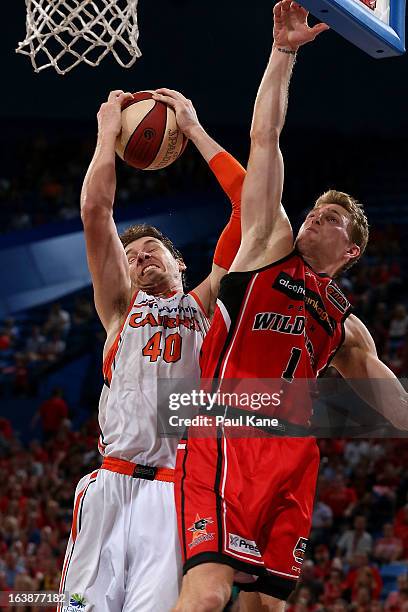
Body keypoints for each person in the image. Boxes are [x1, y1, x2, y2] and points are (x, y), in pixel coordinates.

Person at [173, 2, 408, 611]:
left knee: (268, 607)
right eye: (314, 210)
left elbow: (392, 403)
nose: (313, 218)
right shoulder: (270, 242)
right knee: (207, 591)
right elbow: (265, 137)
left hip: (292, 454)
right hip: (229, 428)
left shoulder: (345, 326)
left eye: (329, 218)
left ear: (351, 249)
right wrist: (283, 53)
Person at [58, 88, 246, 612]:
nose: (139, 258)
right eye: (132, 254)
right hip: (110, 485)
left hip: (172, 493)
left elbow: (247, 204)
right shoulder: (120, 308)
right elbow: (96, 209)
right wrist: (106, 130)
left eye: (151, 249)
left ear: (180, 262)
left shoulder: (207, 303)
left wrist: (192, 129)